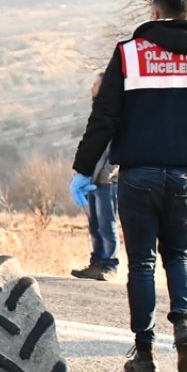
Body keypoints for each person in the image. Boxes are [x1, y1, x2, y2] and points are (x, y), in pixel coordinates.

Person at [70, 0, 187, 372]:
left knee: (142, 262)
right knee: (179, 256)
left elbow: (105, 116)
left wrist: (82, 168)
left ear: (155, 13)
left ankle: (144, 354)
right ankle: (184, 326)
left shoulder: (130, 53)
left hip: (139, 175)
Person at [70, 74, 120, 281]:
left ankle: (110, 265)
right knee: (94, 223)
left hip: (107, 182)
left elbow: (117, 150)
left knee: (107, 224)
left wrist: (106, 176)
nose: (92, 87)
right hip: (92, 180)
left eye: (96, 84)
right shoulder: (98, 113)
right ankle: (96, 262)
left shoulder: (116, 113)